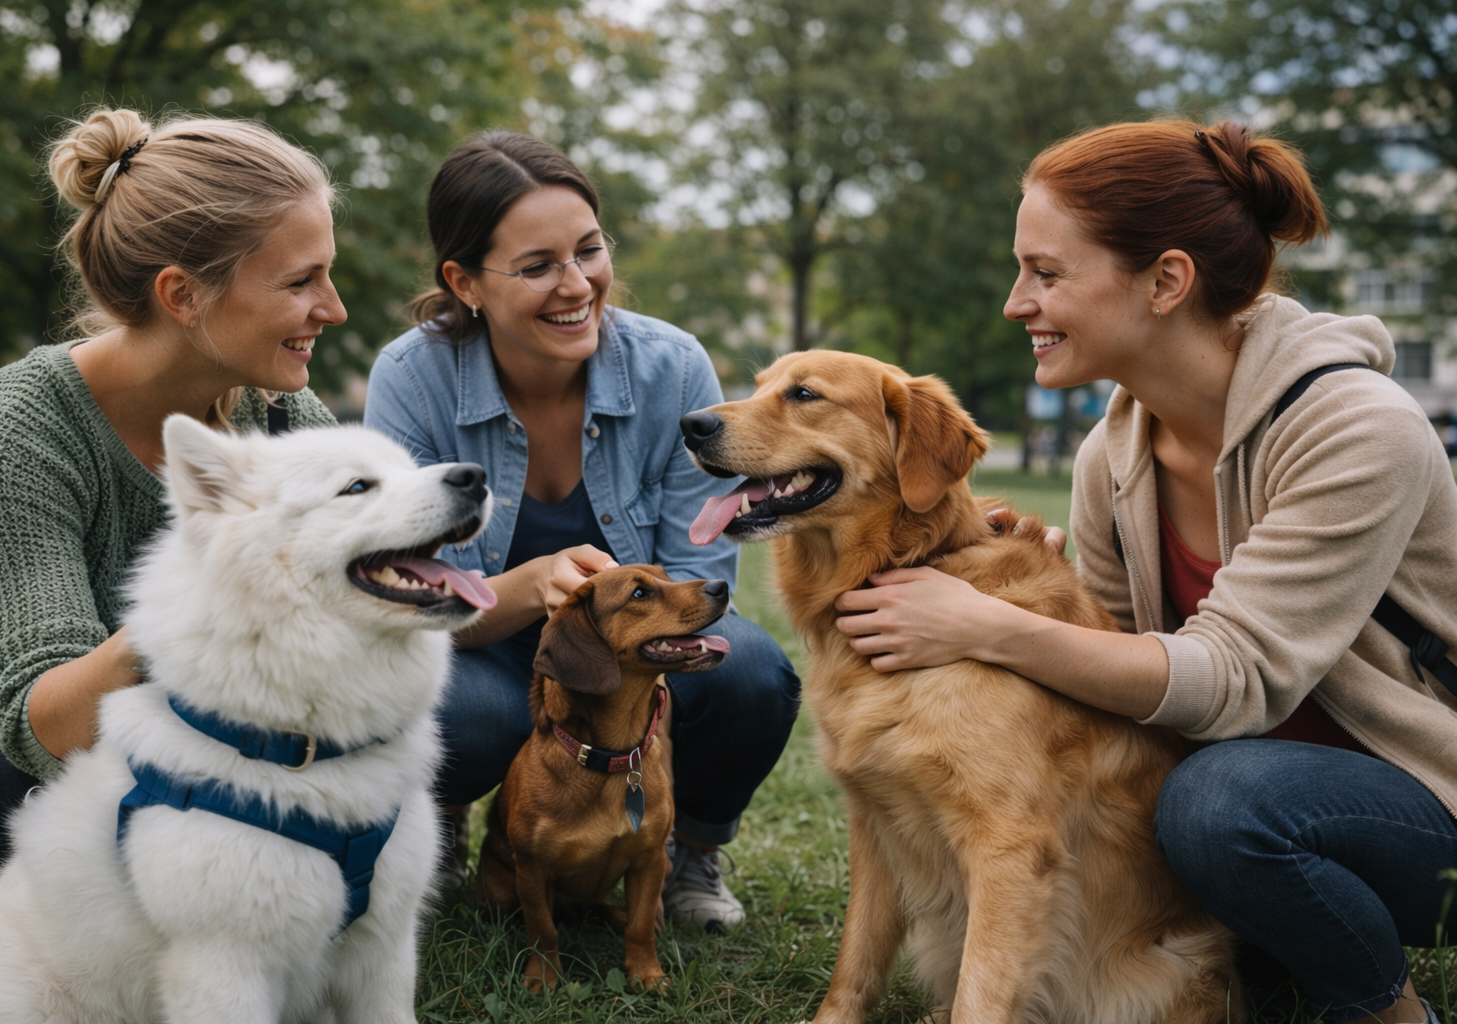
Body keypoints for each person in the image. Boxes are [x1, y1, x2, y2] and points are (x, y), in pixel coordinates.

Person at [832, 120, 1457, 1024]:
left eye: (1046, 273)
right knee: (1211, 820)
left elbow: (1228, 681)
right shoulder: (1112, 453)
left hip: (1424, 799)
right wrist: (1050, 599)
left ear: (1166, 280)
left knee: (1220, 805)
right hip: (1269, 823)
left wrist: (996, 626)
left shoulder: (1358, 429)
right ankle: (1280, 958)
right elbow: (1123, 682)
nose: (1017, 302)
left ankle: (1388, 1015)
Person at [364, 130, 800, 931]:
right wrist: (528, 586)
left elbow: (698, 579)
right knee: (466, 714)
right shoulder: (411, 380)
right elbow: (405, 603)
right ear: (464, 281)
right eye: (537, 267)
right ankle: (456, 817)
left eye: (588, 251)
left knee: (751, 676)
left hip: (631, 639)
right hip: (479, 647)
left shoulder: (672, 368)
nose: (577, 286)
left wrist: (620, 655)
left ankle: (685, 852)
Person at [0, 108, 344, 905]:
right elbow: (43, 722)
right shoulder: (8, 435)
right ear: (183, 295)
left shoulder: (284, 420)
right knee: (12, 798)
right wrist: (193, 611)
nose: (334, 308)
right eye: (300, 282)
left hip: (139, 704)